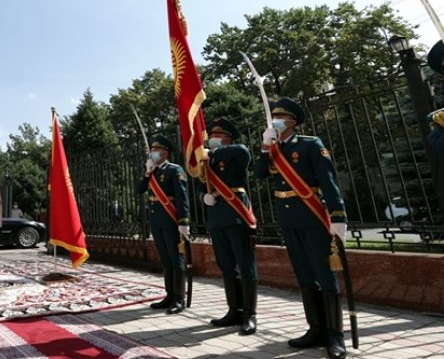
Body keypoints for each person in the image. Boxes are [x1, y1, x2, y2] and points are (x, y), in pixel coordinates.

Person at [254, 98, 348, 359]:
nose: (275, 121)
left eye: (280, 117)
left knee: (324, 273)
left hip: (312, 215)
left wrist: (338, 217)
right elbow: (260, 174)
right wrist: (264, 146)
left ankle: (335, 336)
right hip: (288, 218)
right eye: (274, 118)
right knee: (305, 274)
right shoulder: (272, 148)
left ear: (292, 121)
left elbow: (328, 182)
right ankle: (315, 329)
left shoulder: (309, 144)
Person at [202, 118, 258, 335]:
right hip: (217, 218)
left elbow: (244, 152)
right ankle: (234, 310)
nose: (213, 138)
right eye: (212, 135)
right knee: (226, 266)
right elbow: (201, 184)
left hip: (237, 216)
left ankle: (249, 315)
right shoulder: (208, 162)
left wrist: (212, 152)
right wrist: (203, 196)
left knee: (245, 266)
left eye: (218, 136)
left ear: (228, 138)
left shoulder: (236, 153)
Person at [135, 135, 190, 314]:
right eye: (152, 151)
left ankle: (179, 298)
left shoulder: (175, 170)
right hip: (157, 220)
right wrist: (147, 173)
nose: (152, 153)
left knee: (176, 258)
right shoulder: (152, 171)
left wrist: (184, 222)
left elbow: (182, 198)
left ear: (165, 153)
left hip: (171, 219)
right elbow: (139, 190)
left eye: (156, 151)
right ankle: (169, 295)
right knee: (165, 259)